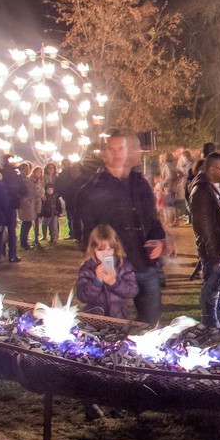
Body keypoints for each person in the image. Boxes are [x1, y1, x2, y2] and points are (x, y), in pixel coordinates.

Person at [74, 131, 170, 324]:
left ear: (128, 151)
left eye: (121, 148)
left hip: (145, 264)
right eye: (112, 148)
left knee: (150, 325)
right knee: (113, 325)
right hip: (113, 267)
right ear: (104, 152)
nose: (117, 154)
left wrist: (160, 241)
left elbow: (152, 219)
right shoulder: (92, 189)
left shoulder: (140, 184)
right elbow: (85, 234)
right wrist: (100, 258)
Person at [191, 152, 220, 329]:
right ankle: (210, 322)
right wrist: (214, 252)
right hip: (214, 249)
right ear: (210, 169)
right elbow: (204, 226)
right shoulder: (201, 190)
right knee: (212, 288)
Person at [75, 224, 140, 320]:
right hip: (94, 318)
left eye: (109, 249)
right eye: (101, 250)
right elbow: (82, 296)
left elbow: (132, 291)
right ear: (93, 249)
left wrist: (114, 282)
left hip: (119, 317)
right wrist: (97, 282)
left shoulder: (123, 265)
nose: (105, 254)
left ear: (115, 248)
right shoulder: (87, 268)